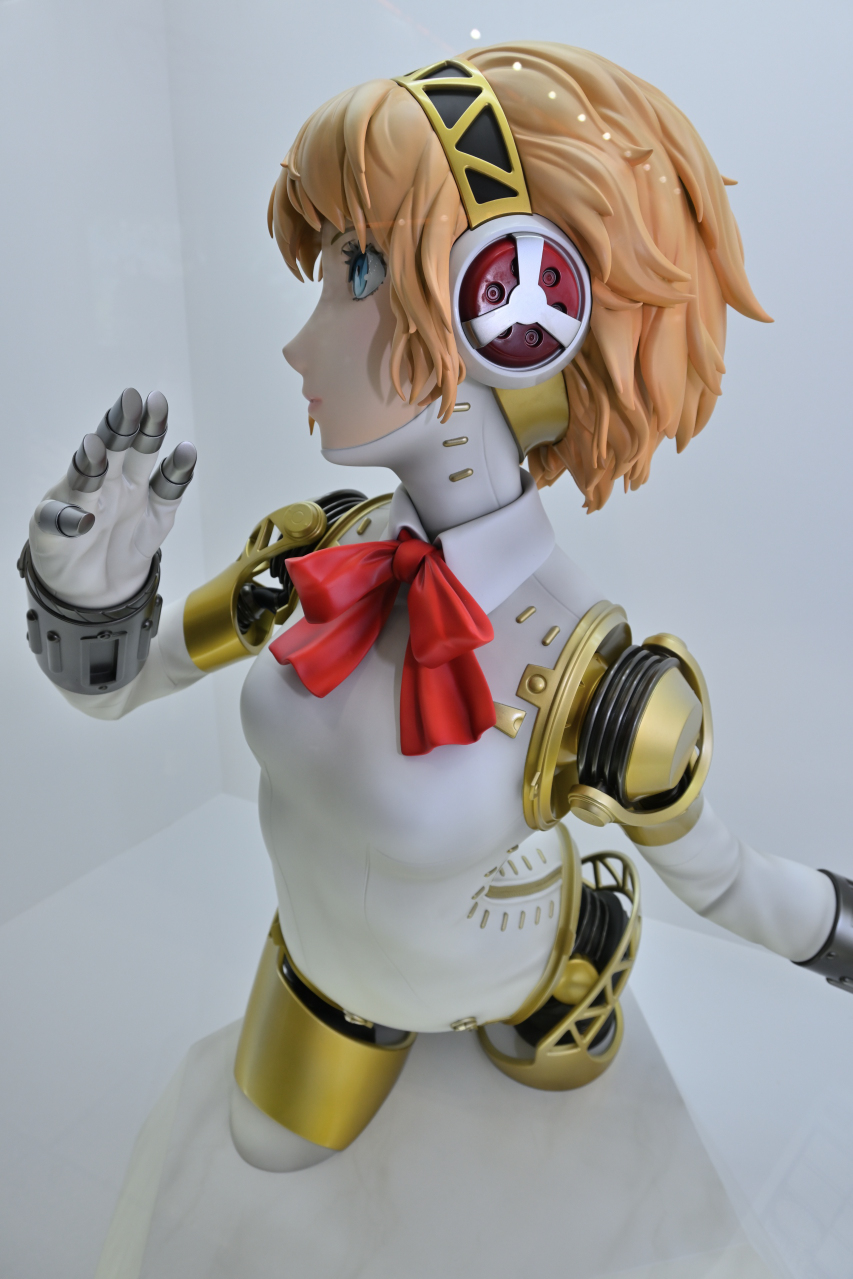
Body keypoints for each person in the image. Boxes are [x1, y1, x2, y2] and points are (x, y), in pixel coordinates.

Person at [20, 41, 852, 1175]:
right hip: (319, 982)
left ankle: (582, 949)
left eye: (359, 270)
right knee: (258, 1152)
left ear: (509, 305)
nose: (298, 339)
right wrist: (92, 610)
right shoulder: (320, 547)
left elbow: (728, 877)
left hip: (522, 976)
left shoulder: (601, 680)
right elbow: (122, 690)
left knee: (564, 1121)